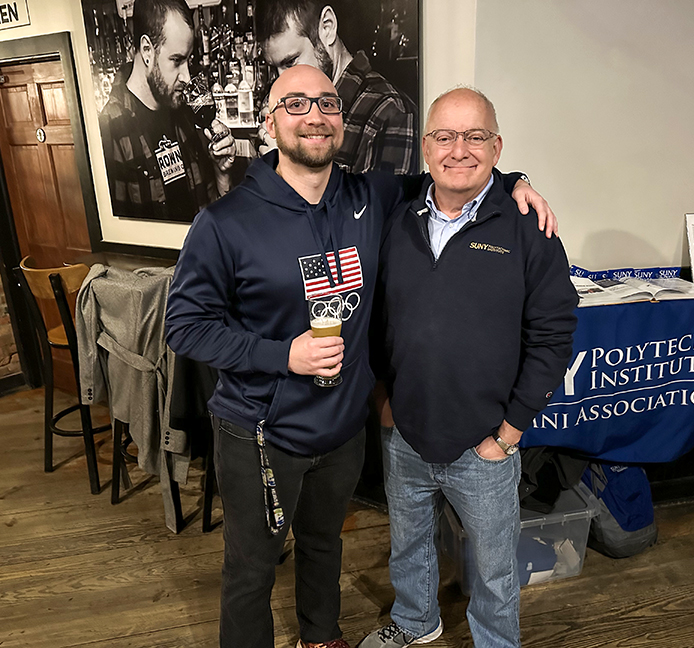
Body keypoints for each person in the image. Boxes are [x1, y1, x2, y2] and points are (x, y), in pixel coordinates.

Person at [165, 66, 554, 648]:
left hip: (343, 431)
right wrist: (283, 355)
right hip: (260, 433)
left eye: (327, 102)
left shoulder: (372, 196)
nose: (314, 115)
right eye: (295, 104)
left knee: (324, 544)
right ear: (269, 123)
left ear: (341, 121)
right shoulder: (224, 222)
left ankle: (320, 636)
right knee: (250, 568)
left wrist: (516, 181)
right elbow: (184, 327)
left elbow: (454, 172)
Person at [360, 88, 579, 648]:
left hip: (485, 445)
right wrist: (383, 401)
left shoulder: (529, 228)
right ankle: (415, 621)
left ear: (497, 147)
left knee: (495, 568)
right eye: (445, 136)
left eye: (475, 136)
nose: (459, 150)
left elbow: (554, 336)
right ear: (425, 147)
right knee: (408, 545)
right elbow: (378, 318)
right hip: (405, 433)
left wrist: (509, 433)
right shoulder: (397, 214)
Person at [99, 0, 236, 222]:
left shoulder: (185, 113)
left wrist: (222, 174)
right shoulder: (110, 129)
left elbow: (213, 221)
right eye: (177, 60)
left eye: (188, 60)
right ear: (147, 50)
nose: (187, 77)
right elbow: (117, 235)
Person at [256, 0, 419, 175]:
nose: (282, 80)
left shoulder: (389, 112)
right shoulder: (293, 107)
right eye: (274, 68)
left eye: (290, 62)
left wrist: (292, 168)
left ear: (327, 28)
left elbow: (379, 195)